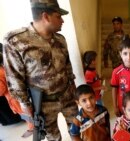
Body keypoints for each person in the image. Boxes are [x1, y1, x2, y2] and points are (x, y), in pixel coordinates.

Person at [3, 0, 78, 140]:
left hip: (67, 97)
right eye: (58, 16)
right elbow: (14, 78)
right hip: (43, 104)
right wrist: (26, 107)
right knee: (53, 138)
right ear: (46, 16)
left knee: (77, 130)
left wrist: (75, 92)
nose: (62, 21)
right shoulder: (16, 41)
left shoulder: (60, 39)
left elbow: (68, 68)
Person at [0, 43, 33, 138]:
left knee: (24, 113)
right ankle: (32, 125)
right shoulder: (4, 67)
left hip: (13, 97)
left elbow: (1, 89)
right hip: (18, 94)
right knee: (25, 111)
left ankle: (32, 127)